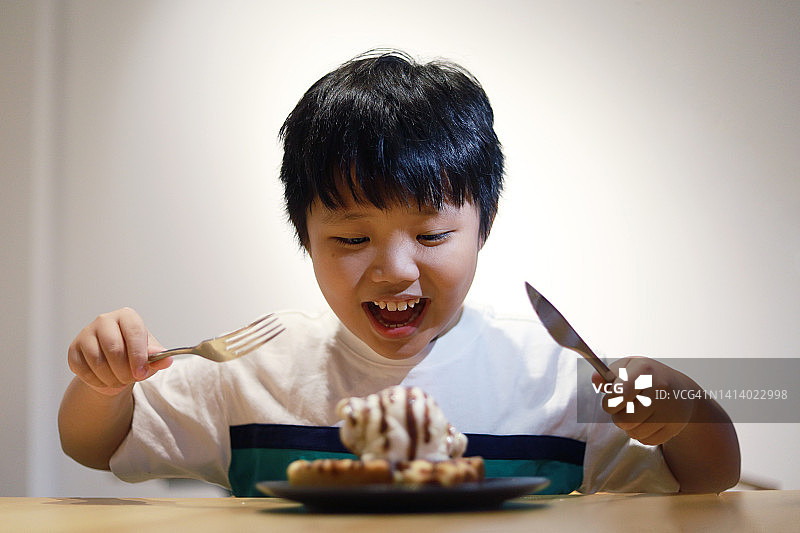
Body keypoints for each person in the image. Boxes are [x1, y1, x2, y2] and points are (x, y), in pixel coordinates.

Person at [58, 50, 740, 496]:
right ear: (306, 238)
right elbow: (95, 444)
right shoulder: (253, 368)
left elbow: (709, 478)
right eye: (352, 237)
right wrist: (103, 381)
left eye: (432, 235)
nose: (394, 269)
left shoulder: (551, 377)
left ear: (483, 228)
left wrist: (683, 407)